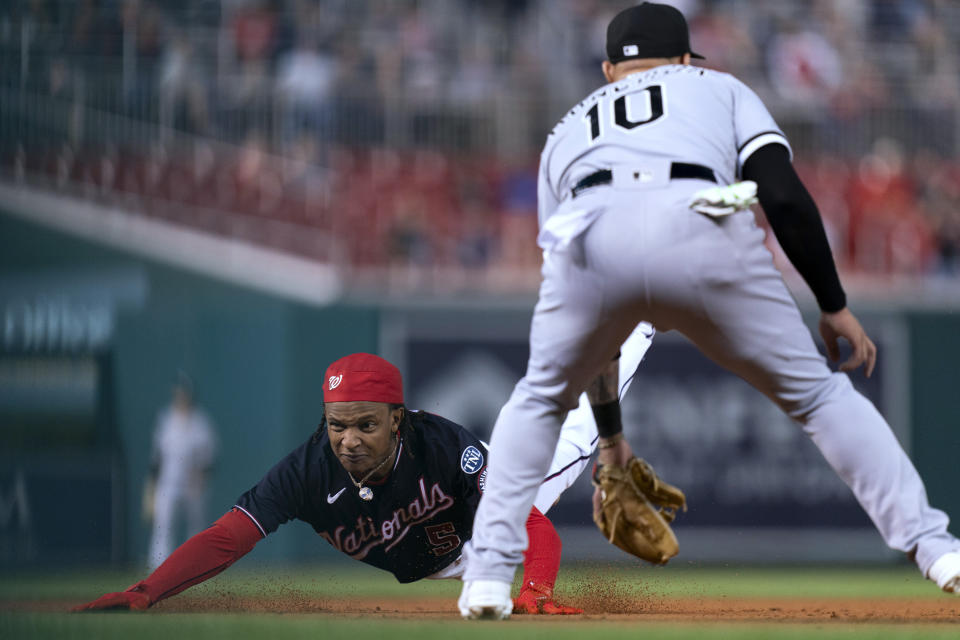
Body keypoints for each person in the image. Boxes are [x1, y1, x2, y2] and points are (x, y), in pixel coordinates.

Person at [458, 2, 960, 620]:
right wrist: (833, 305)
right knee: (821, 399)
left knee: (538, 399)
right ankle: (938, 551)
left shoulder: (566, 129)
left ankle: (485, 577)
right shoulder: (719, 87)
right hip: (698, 217)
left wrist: (611, 441)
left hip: (590, 230)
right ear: (689, 59)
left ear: (611, 69)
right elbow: (782, 195)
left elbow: (588, 323)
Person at [74, 338, 654, 615]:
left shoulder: (442, 446)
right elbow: (227, 537)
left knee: (567, 426)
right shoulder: (306, 473)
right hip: (440, 557)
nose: (348, 439)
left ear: (397, 420)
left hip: (488, 526)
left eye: (365, 426)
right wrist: (145, 591)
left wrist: (535, 591)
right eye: (336, 425)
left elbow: (528, 525)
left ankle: (645, 318)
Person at [145, 374, 218, 570]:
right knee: (162, 529)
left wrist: (202, 481)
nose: (181, 396)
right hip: (167, 484)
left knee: (197, 530)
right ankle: (158, 570)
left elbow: (209, 459)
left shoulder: (201, 422)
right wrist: (151, 488)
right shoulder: (166, 419)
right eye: (178, 392)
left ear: (190, 395)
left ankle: (196, 567)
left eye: (184, 393)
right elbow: (157, 457)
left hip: (193, 485)